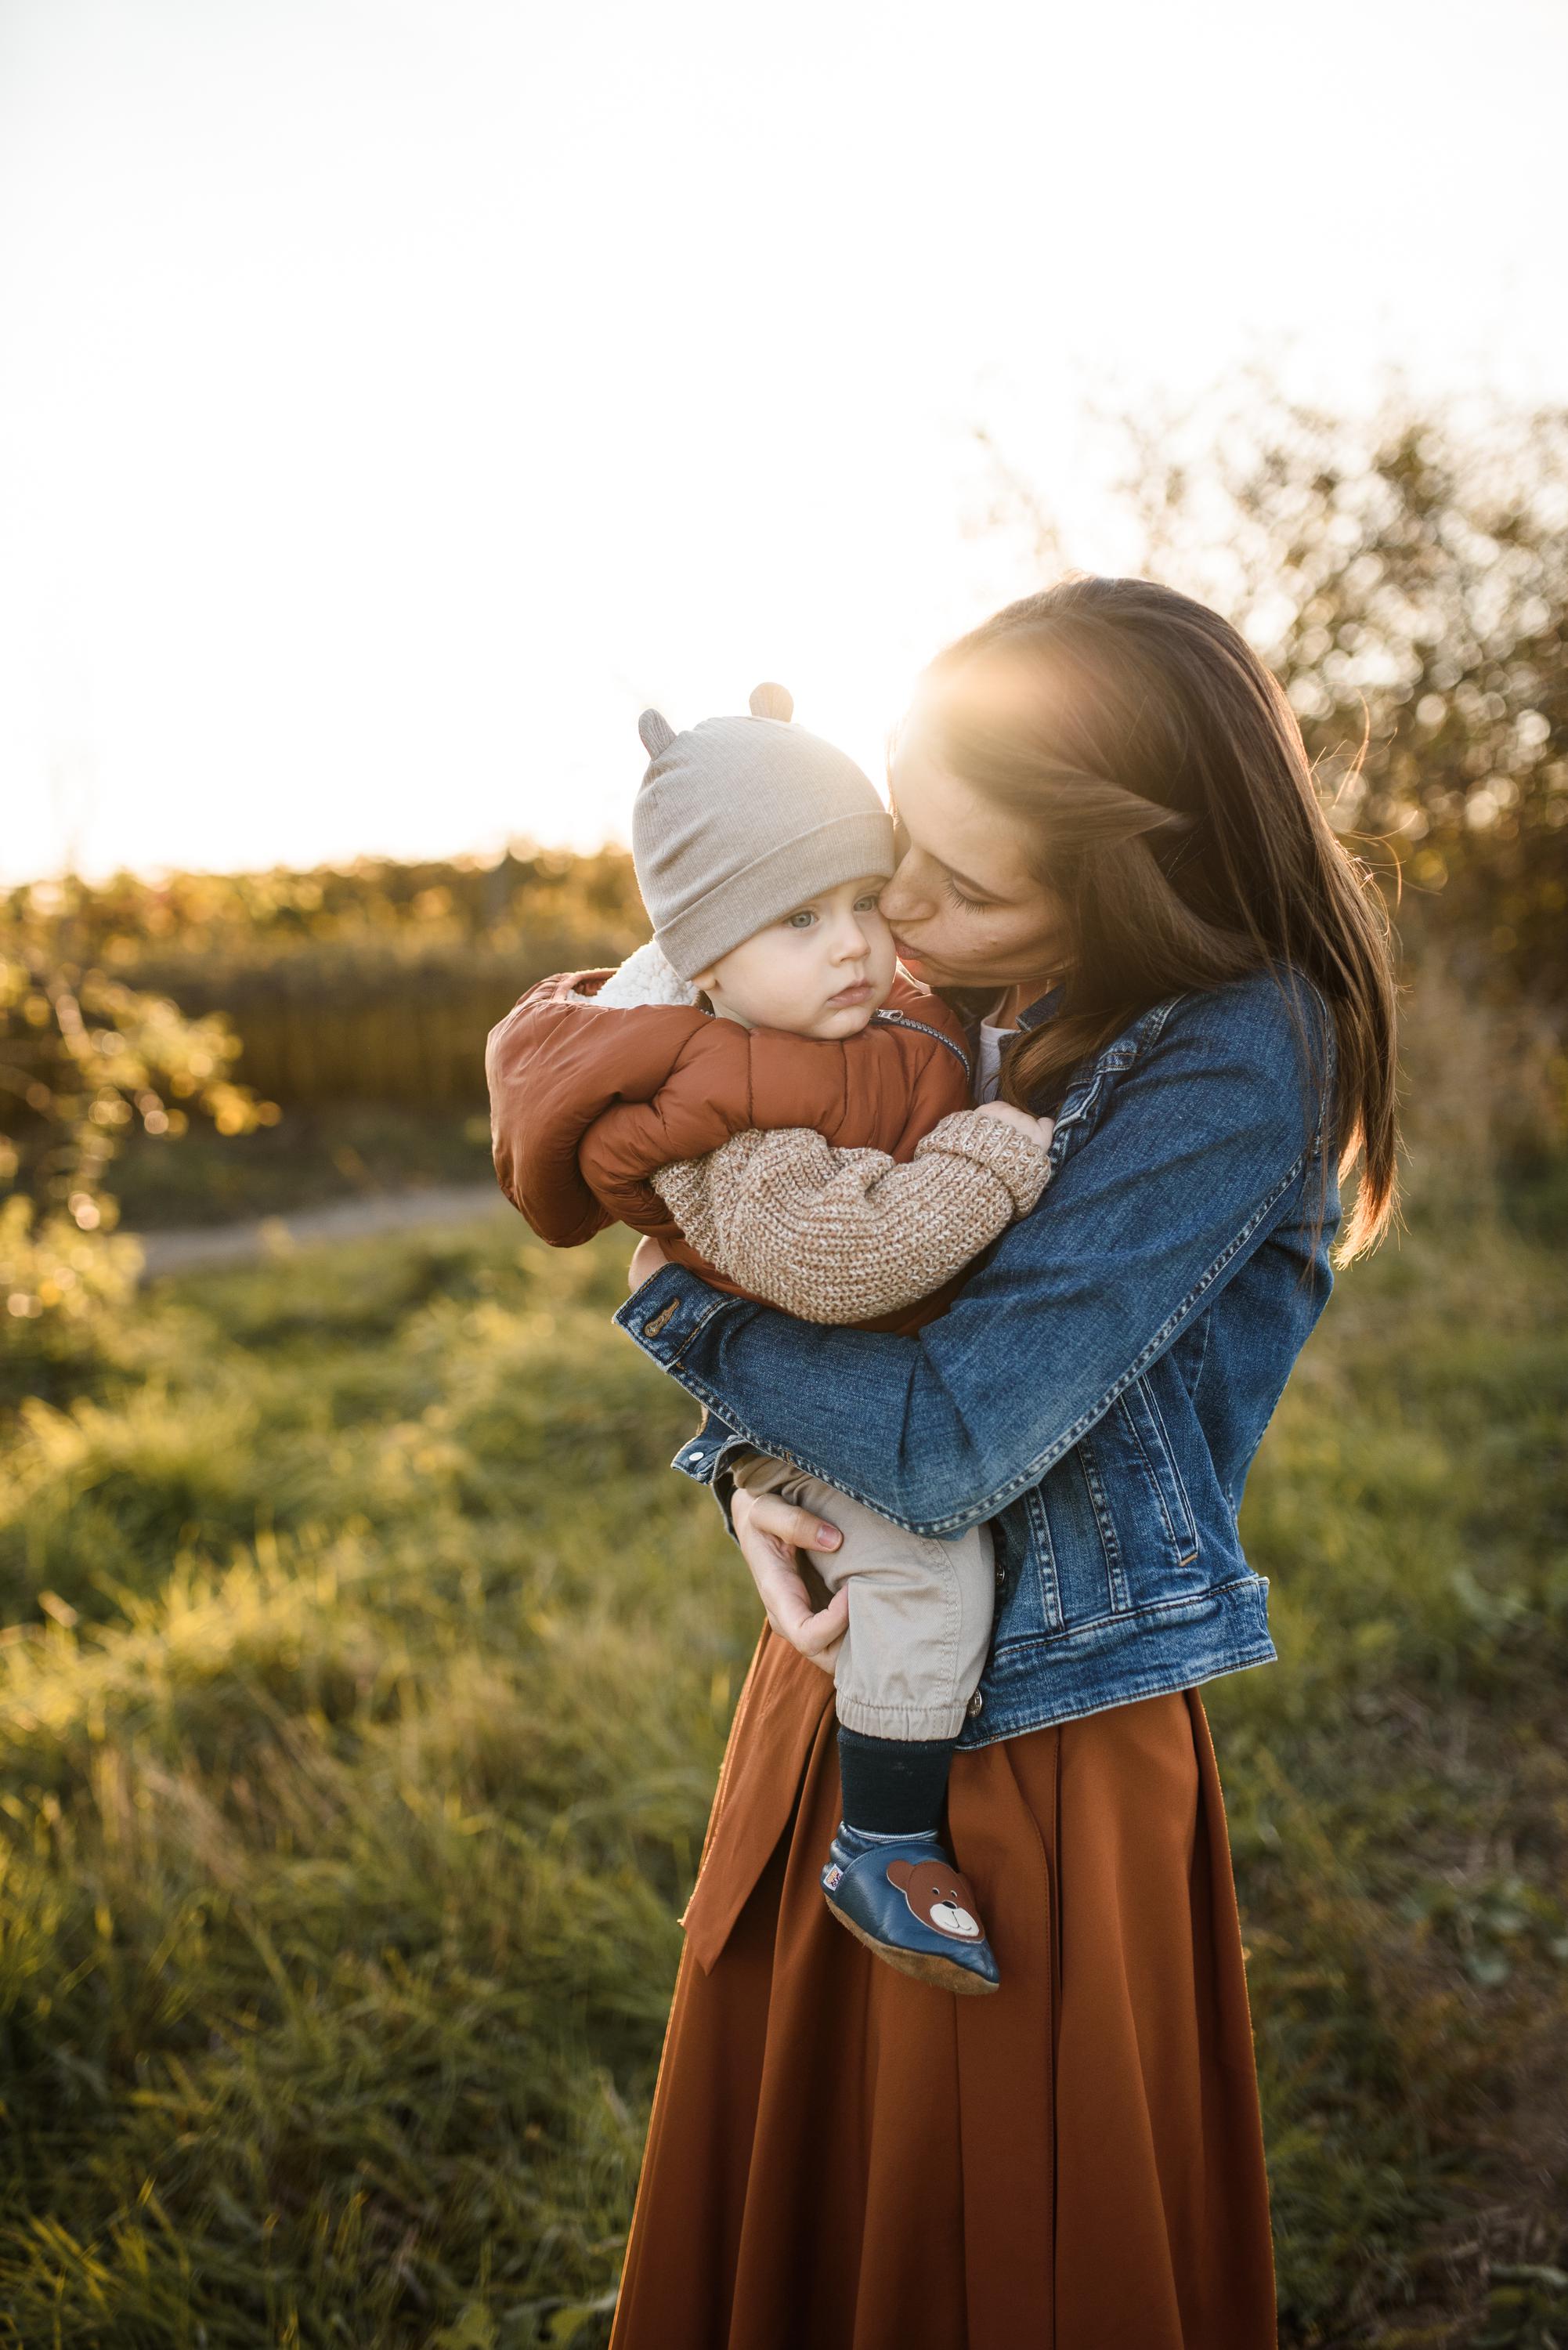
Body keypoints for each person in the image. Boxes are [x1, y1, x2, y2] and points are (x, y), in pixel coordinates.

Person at [578, 577, 1399, 2350]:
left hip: (1030, 1745)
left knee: (1000, 2232)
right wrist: (745, 1476)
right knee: (812, 2205)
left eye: (963, 883)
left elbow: (951, 1440)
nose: (905, 917)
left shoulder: (1235, 1052)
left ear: (1138, 870)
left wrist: (683, 1324)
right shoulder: (968, 997)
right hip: (852, 1667)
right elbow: (802, 1258)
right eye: (896, 858)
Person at [485, 683, 1055, 1994]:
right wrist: (992, 1155)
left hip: (890, 1380)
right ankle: (885, 1841)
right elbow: (846, 1262)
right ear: (704, 959)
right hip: (824, 1406)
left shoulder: (846, 1018)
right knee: (929, 1574)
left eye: (863, 901)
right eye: (798, 920)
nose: (853, 944)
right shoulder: (715, 1108)